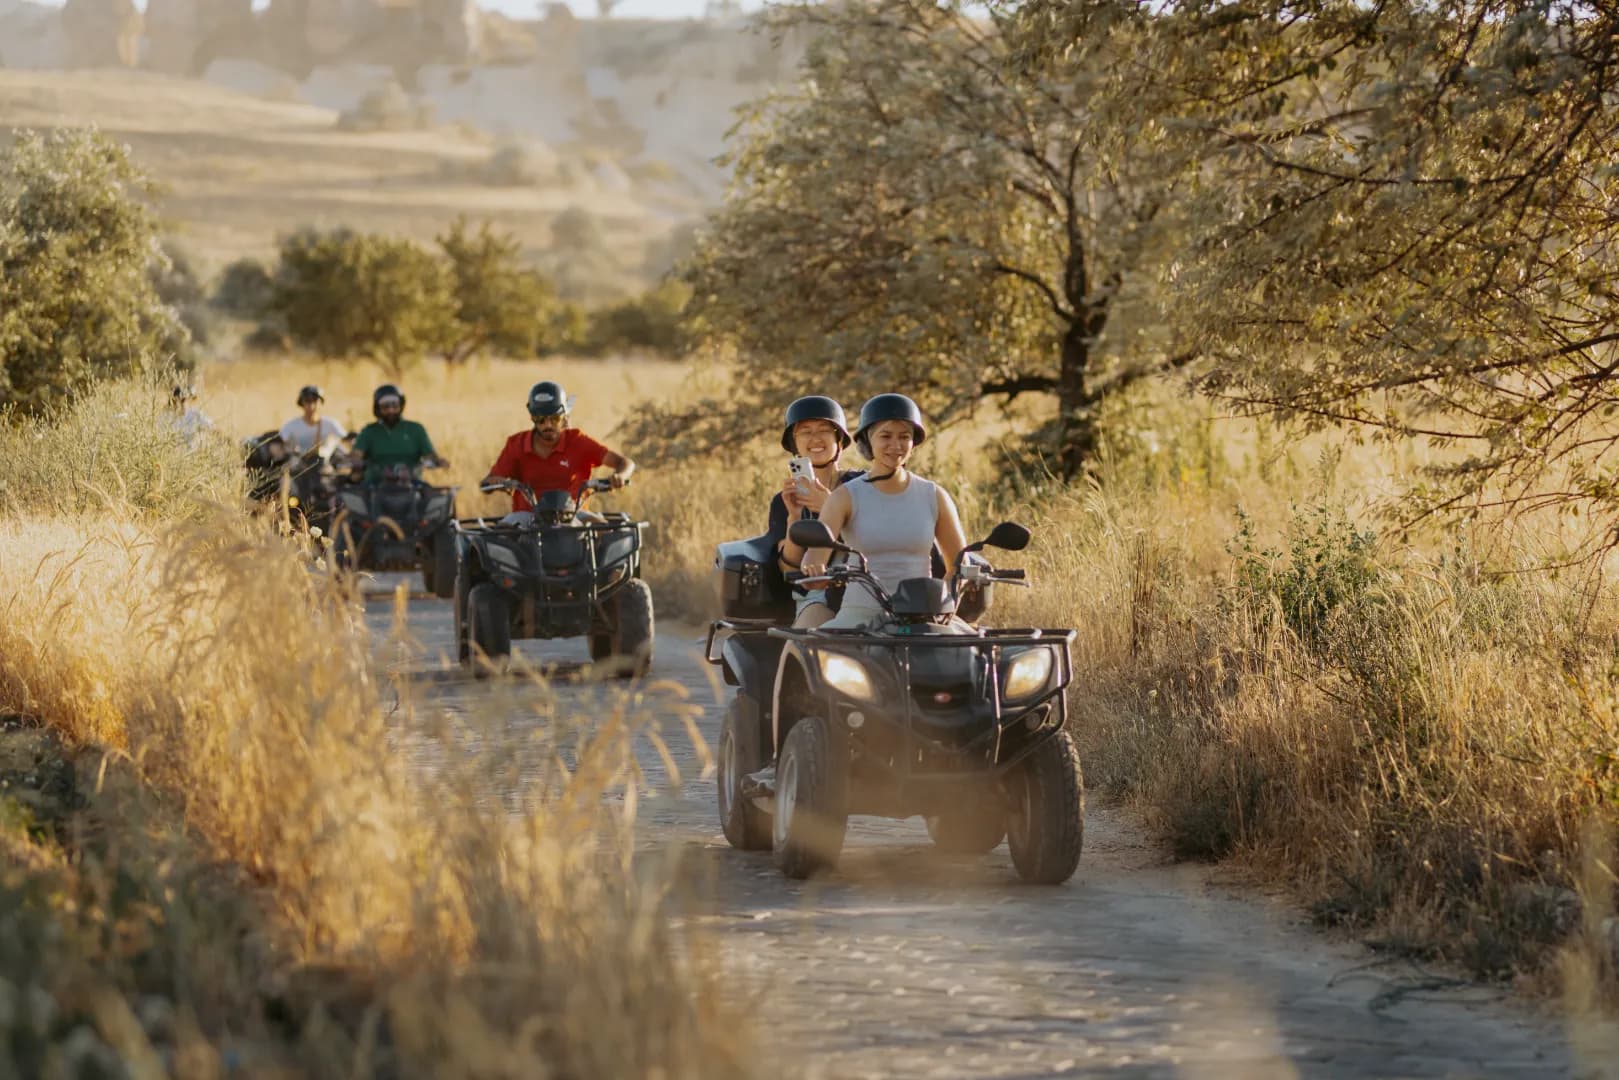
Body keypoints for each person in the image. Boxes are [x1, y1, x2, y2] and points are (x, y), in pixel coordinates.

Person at [802, 393, 968, 630]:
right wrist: (813, 568)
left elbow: (959, 564)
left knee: (977, 658)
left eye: (904, 437)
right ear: (868, 441)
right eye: (886, 436)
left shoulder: (934, 495)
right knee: (820, 658)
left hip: (923, 616)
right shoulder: (845, 497)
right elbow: (814, 557)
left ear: (914, 443)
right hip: (861, 615)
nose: (896, 445)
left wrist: (945, 603)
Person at [768, 395, 861, 628]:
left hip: (869, 586)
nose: (815, 438)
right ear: (794, 443)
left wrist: (831, 507)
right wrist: (795, 517)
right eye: (805, 432)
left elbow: (880, 536)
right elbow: (789, 568)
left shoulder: (862, 485)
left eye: (824, 430)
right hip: (817, 595)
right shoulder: (784, 500)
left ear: (839, 440)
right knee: (809, 639)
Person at [481, 380, 635, 517]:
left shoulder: (578, 441)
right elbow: (487, 484)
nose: (547, 425)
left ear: (564, 417)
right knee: (501, 540)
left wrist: (620, 476)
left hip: (573, 516)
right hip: (527, 520)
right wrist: (500, 482)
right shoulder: (516, 444)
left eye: (554, 419)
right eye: (540, 419)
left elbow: (625, 463)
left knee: (605, 533)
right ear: (532, 417)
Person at [350, 384, 448, 483]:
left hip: (411, 484)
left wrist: (438, 461)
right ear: (378, 408)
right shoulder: (369, 431)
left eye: (394, 405)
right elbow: (357, 454)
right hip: (375, 485)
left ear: (401, 406)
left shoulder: (416, 429)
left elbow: (429, 455)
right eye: (385, 406)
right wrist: (354, 462)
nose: (390, 410)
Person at [277, 385, 346, 457]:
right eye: (307, 401)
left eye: (315, 401)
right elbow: (281, 442)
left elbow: (346, 440)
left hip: (326, 463)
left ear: (321, 403)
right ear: (301, 403)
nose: (311, 406)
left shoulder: (330, 424)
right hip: (299, 463)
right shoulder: (291, 426)